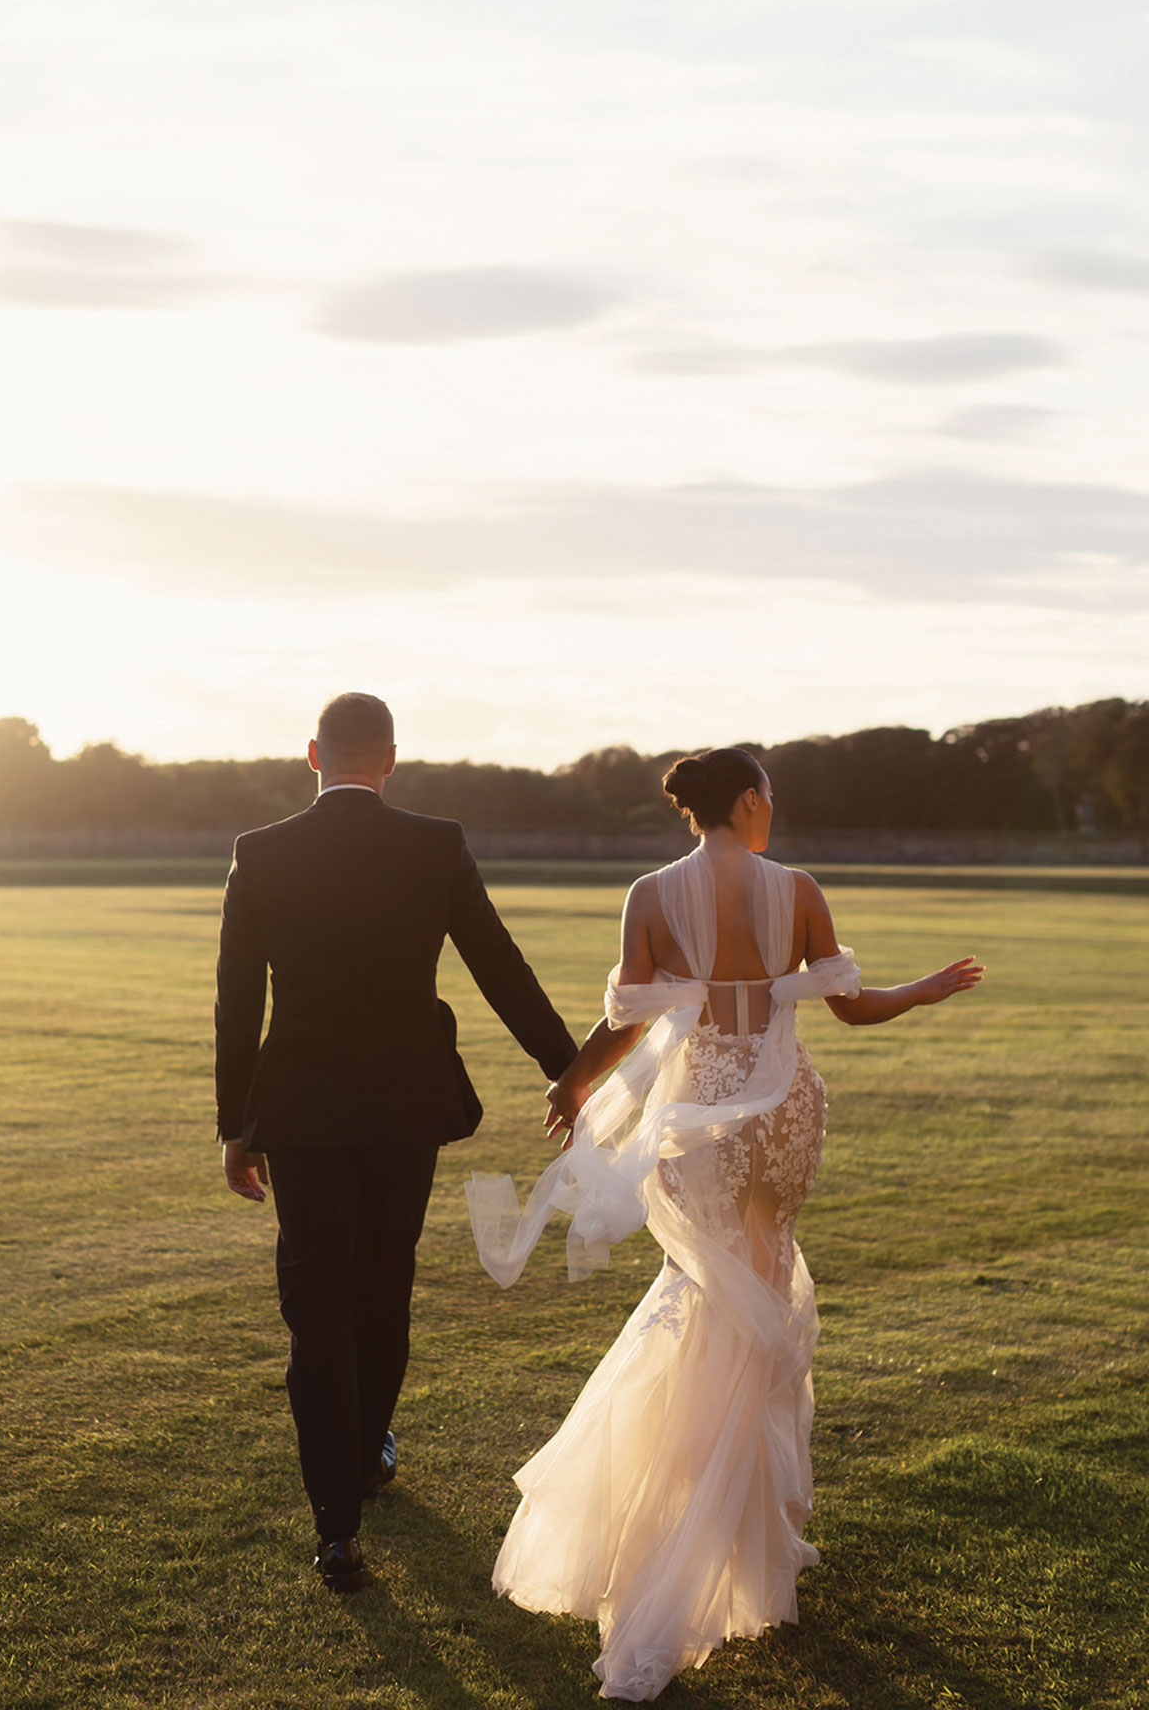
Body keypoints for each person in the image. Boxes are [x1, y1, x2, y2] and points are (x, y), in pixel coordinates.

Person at [467, 747, 983, 1701]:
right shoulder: (798, 890)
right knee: (758, 1285)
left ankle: (722, 1528)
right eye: (769, 797)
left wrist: (571, 1082)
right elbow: (849, 1007)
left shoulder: (650, 894)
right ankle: (729, 1534)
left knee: (708, 1294)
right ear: (748, 801)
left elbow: (628, 1018)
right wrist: (923, 990)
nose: (771, 810)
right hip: (781, 1109)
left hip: (699, 1114)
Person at [215, 692, 578, 1593]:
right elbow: (499, 963)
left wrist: (235, 1126)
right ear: (389, 760)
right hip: (402, 1108)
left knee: (314, 1307)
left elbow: (236, 1005)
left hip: (298, 1113)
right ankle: (367, 1456)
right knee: (383, 1287)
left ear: (312, 754)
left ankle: (337, 1527)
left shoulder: (259, 854)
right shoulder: (434, 843)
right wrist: (567, 1067)